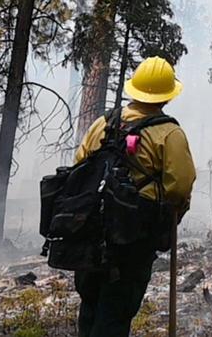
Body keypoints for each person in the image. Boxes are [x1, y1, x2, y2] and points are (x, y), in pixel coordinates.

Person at [72, 56, 196, 337]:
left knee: (90, 306)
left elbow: (80, 165)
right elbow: (179, 186)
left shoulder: (102, 125)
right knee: (115, 312)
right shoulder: (169, 134)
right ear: (166, 96)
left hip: (91, 234)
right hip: (133, 237)